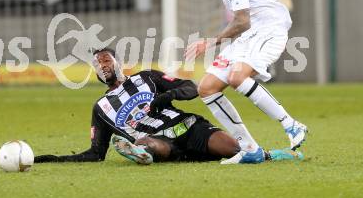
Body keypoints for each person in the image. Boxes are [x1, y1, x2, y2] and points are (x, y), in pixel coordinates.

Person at [35, 48, 301, 164]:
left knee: (235, 149)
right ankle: (139, 150)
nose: (103, 66)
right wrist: (53, 159)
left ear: (117, 63)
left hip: (188, 127)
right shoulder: (101, 107)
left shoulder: (146, 77)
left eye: (106, 60)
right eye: (98, 64)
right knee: (150, 143)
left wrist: (166, 96)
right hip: (160, 142)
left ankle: (272, 154)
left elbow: (191, 87)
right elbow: (95, 153)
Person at [186, 0, 307, 164]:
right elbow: (243, 22)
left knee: (237, 76)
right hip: (252, 33)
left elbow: (242, 20)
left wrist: (211, 42)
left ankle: (291, 125)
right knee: (207, 87)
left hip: (270, 29)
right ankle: (249, 148)